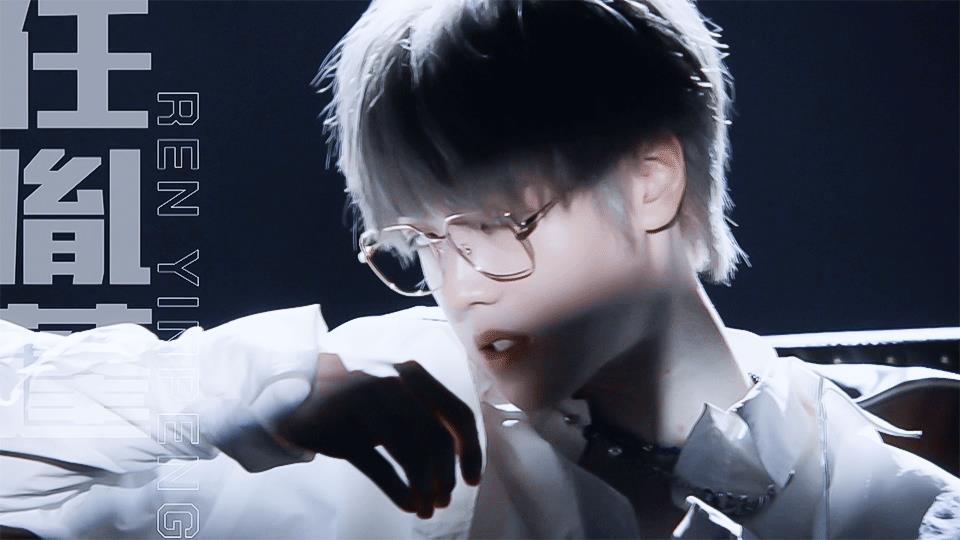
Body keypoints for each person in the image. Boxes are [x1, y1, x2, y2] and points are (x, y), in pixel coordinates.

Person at [1, 0, 958, 538]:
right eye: (420, 238)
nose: (459, 281)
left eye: (497, 222)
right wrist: (236, 393)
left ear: (650, 181)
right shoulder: (366, 422)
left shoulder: (888, 496)